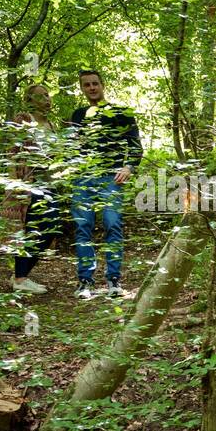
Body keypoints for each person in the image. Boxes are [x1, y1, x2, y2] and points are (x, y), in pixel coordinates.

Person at [68, 69, 142, 299]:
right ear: (82, 88)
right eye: (86, 85)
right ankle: (85, 282)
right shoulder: (78, 115)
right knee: (83, 227)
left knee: (112, 224)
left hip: (111, 176)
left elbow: (136, 145)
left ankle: (114, 280)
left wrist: (128, 167)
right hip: (84, 177)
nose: (91, 88)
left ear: (102, 85)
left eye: (95, 83)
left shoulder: (121, 112)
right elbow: (72, 149)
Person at [3, 84, 61, 294]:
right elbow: (12, 152)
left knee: (51, 226)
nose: (47, 99)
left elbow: (53, 157)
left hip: (48, 184)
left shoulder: (51, 125)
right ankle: (20, 277)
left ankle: (20, 275)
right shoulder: (24, 119)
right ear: (30, 100)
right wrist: (15, 184)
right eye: (41, 96)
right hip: (28, 184)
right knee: (30, 230)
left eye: (48, 94)